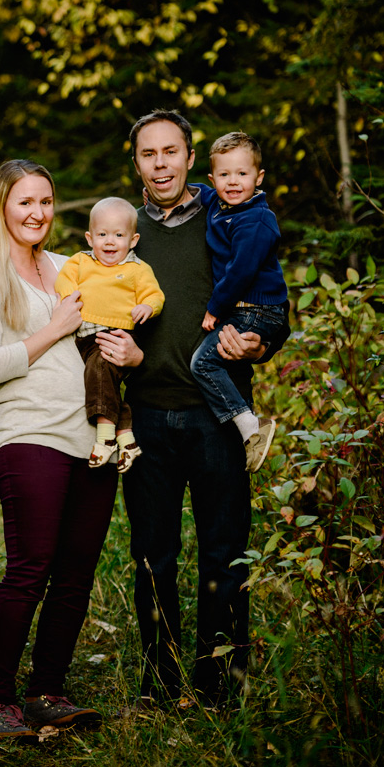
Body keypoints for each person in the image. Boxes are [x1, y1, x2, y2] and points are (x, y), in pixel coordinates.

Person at [94, 110, 282, 710]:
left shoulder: (226, 216)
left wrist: (259, 342)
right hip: (146, 416)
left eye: (171, 151)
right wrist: (115, 348)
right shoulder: (122, 234)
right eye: (148, 154)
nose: (161, 163)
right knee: (153, 557)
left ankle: (221, 687)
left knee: (224, 554)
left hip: (217, 418)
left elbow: (270, 299)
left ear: (190, 157)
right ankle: (159, 682)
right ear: (137, 164)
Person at [0, 159, 115, 740]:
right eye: (25, 202)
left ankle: (47, 691)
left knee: (76, 573)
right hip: (27, 435)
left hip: (89, 437)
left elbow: (95, 339)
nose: (38, 214)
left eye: (46, 202)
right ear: (3, 206)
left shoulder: (67, 267)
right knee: (31, 567)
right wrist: (54, 327)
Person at [190, 131, 289, 473]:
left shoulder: (256, 220)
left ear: (259, 177)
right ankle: (246, 430)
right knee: (216, 362)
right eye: (224, 175)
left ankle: (251, 428)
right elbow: (203, 195)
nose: (233, 182)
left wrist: (215, 308)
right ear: (212, 178)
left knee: (202, 364)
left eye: (242, 174)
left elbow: (241, 272)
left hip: (255, 310)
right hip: (247, 309)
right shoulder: (223, 205)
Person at [53, 197, 166, 472]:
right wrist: (68, 297)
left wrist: (147, 306)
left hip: (116, 336)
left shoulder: (137, 270)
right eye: (102, 234)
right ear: (90, 238)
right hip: (84, 336)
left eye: (118, 235)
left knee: (100, 368)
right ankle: (127, 439)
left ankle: (104, 440)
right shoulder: (80, 262)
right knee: (102, 384)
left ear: (133, 239)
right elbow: (64, 279)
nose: (110, 241)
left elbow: (155, 294)